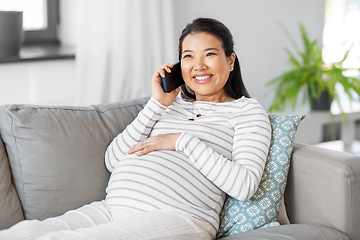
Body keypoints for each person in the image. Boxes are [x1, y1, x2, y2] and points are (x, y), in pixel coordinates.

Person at [0, 18, 271, 240]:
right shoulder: (170, 104)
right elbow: (113, 159)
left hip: (178, 217)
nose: (198, 66)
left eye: (210, 54)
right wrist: (157, 104)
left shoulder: (247, 112)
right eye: (188, 57)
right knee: (22, 233)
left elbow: (244, 185)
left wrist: (182, 141)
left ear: (231, 60)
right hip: (112, 208)